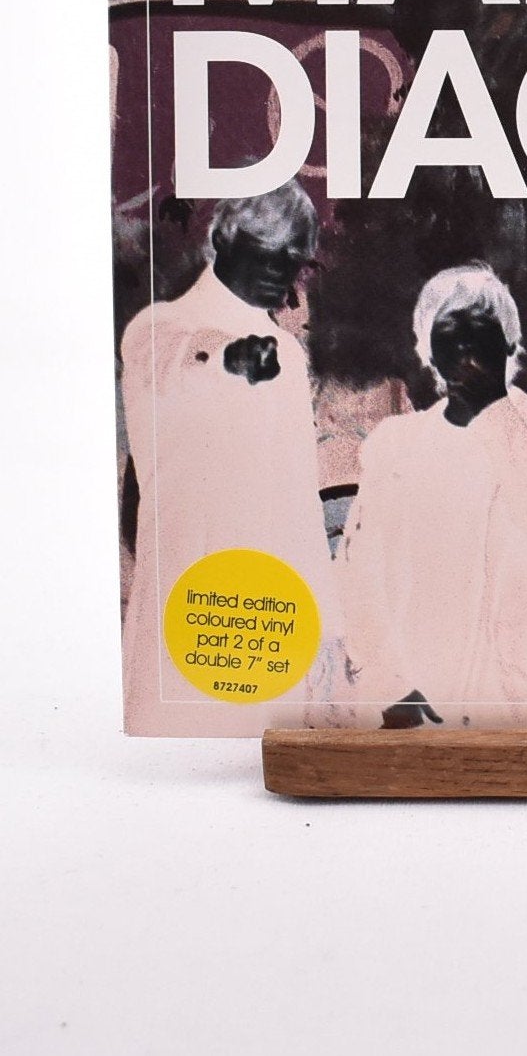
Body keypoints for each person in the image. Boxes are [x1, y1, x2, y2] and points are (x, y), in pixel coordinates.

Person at [339, 264, 527, 728]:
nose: (464, 342)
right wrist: (386, 682)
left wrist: (495, 413)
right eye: (448, 327)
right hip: (415, 691)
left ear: (509, 342)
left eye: (481, 325)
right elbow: (360, 571)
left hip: (520, 691)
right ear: (427, 349)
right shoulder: (396, 443)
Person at [118, 180, 341, 734]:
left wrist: (325, 623)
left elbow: (299, 502)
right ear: (223, 239)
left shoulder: (287, 352)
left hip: (274, 613)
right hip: (193, 603)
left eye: (293, 257)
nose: (280, 268)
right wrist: (226, 360)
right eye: (267, 248)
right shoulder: (159, 329)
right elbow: (177, 364)